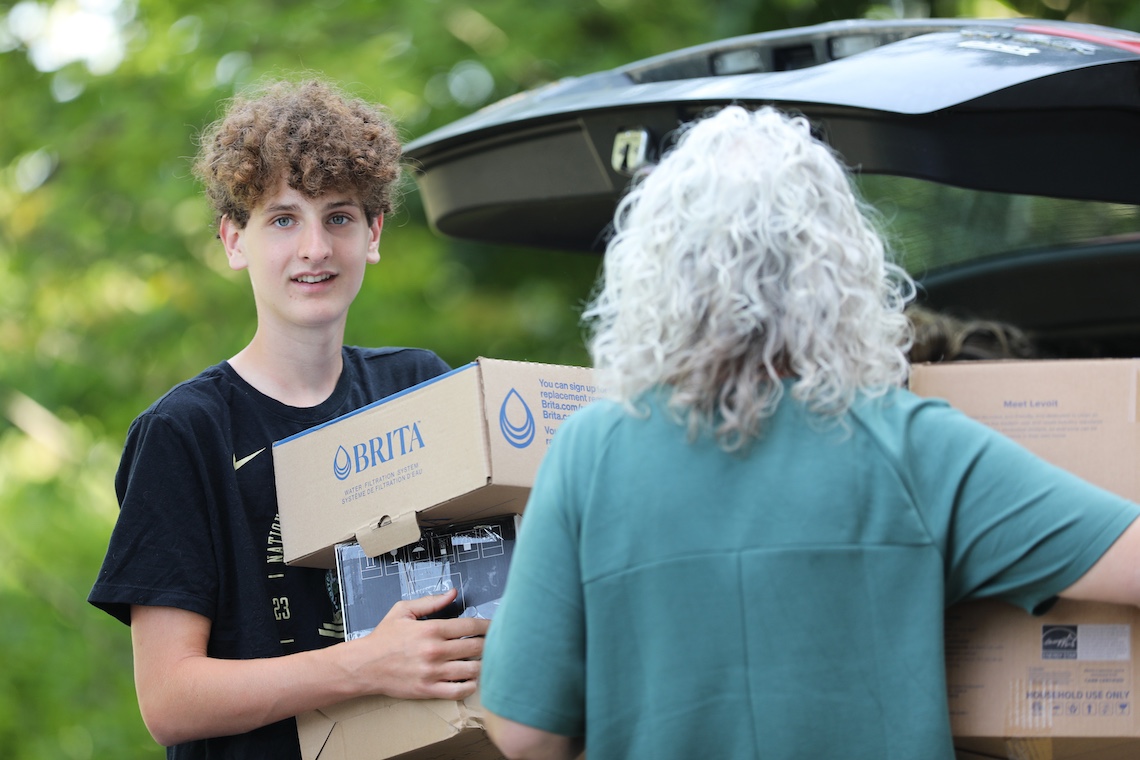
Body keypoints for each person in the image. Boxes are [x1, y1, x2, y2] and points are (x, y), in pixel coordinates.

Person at [477, 105, 1140, 760]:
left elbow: (525, 731)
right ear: (840, 265)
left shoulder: (589, 451)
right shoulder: (909, 443)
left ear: (654, 267)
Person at [88, 78, 489, 759]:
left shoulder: (417, 384)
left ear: (374, 234)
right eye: (282, 219)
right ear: (233, 239)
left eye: (339, 217)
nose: (315, 248)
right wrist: (365, 665)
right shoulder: (186, 433)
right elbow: (169, 701)